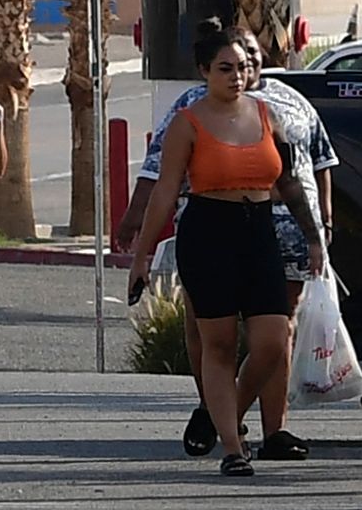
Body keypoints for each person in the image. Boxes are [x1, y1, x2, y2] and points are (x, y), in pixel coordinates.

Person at [121, 31, 333, 478]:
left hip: (258, 231)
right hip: (207, 231)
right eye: (225, 68)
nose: (237, 77)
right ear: (204, 72)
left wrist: (314, 236)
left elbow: (292, 182)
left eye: (242, 67)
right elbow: (164, 192)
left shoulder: (266, 114)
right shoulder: (187, 123)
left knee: (273, 342)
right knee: (217, 345)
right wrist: (140, 257)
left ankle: (225, 412)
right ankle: (234, 448)